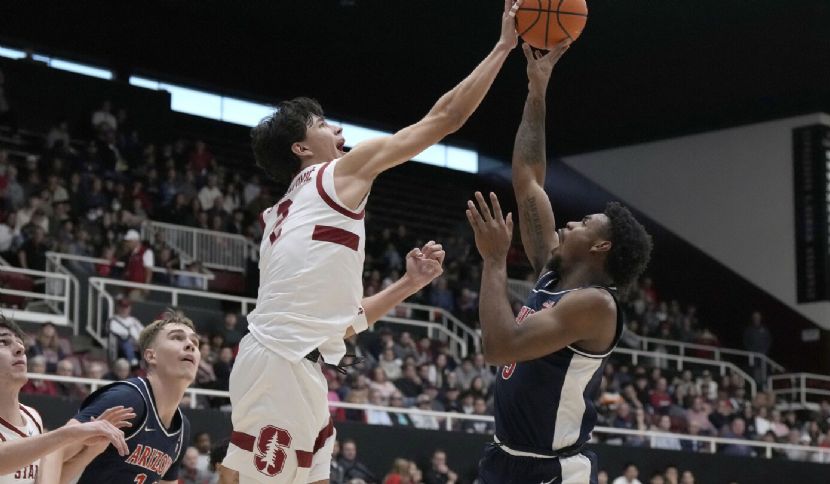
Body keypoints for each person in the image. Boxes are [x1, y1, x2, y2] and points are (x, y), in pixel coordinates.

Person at [222, 2, 523, 483]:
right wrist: (504, 46)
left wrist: (407, 283)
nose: (338, 129)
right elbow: (443, 119)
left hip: (295, 360)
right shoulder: (337, 174)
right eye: (323, 124)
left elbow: (337, 324)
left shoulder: (285, 210)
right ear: (302, 148)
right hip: (281, 361)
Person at [466, 42, 652, 484]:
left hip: (549, 471)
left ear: (602, 247)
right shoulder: (553, 272)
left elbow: (499, 346)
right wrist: (537, 92)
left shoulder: (596, 306)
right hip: (503, 458)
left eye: (585, 222)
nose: (571, 223)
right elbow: (529, 175)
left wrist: (494, 260)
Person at [41, 311, 200, 483]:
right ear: (151, 355)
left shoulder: (182, 428)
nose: (190, 345)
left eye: (195, 342)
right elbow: (53, 450)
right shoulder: (129, 399)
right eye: (177, 337)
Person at [0, 316, 131, 482]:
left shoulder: (32, 417)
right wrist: (70, 434)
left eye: (20, 344)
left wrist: (92, 451)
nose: (19, 349)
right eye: (3, 342)